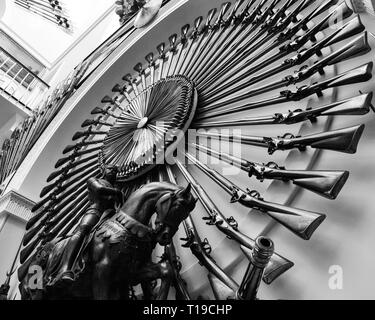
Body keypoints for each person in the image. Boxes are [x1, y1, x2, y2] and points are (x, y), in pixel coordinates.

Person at [51, 165, 123, 283]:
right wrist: (117, 192)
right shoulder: (93, 180)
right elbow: (99, 189)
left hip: (110, 216)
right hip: (96, 211)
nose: (113, 172)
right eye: (110, 169)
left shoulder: (117, 190)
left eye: (115, 170)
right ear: (103, 170)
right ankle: (65, 268)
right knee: (83, 229)